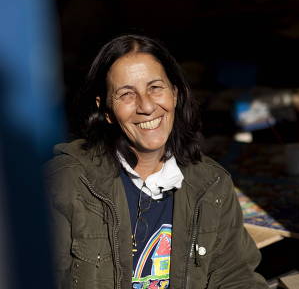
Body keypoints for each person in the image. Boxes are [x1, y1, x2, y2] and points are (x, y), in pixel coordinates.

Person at [45, 35, 268, 288]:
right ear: (106, 110)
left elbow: (236, 275)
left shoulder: (212, 185)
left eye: (155, 88)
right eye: (127, 94)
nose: (147, 106)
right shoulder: (66, 184)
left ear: (175, 93)